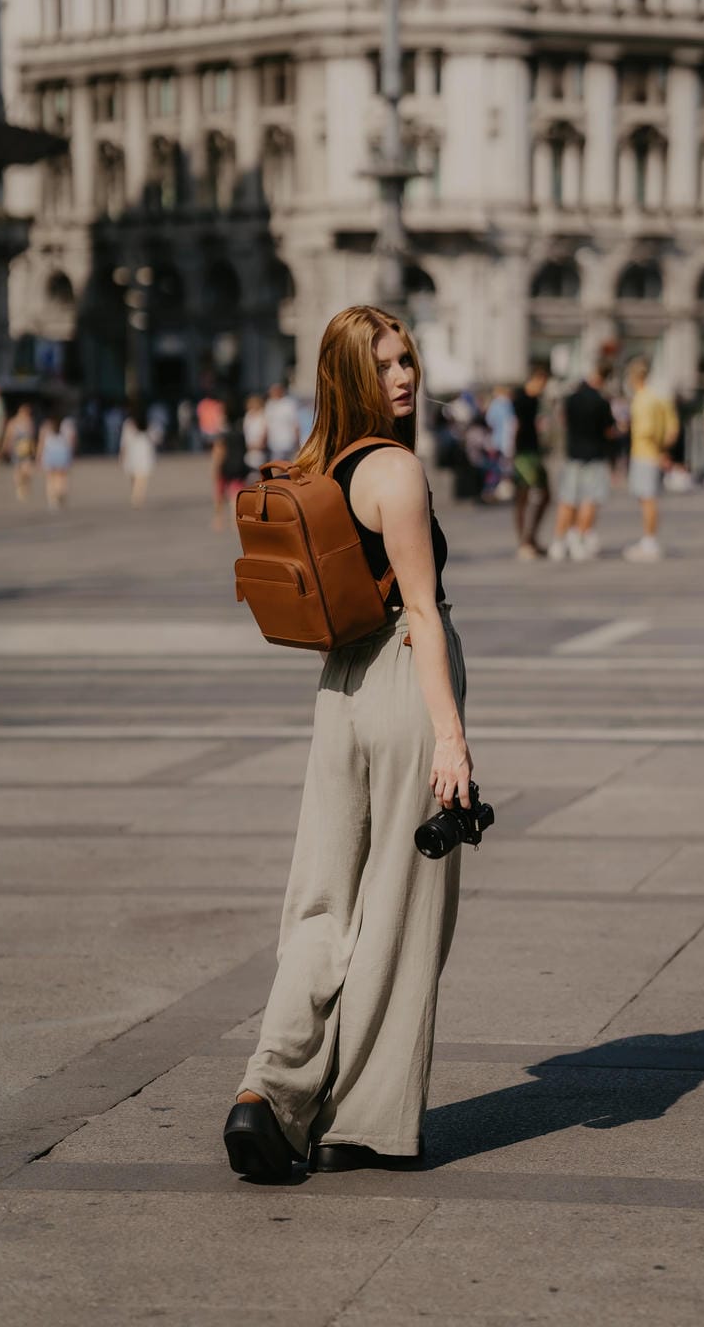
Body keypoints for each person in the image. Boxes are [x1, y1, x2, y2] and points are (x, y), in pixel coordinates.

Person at [224, 305, 472, 1182]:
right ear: (354, 377)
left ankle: (267, 1093)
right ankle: (359, 1119)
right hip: (404, 689)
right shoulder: (397, 471)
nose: (404, 377)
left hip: (337, 692)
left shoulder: (318, 464)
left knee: (322, 904)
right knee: (402, 910)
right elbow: (419, 613)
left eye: (407, 360)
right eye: (386, 365)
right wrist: (452, 740)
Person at [548, 361, 615, 561]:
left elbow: (563, 421)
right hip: (595, 454)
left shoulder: (571, 399)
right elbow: (609, 430)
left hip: (573, 454)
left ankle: (558, 542)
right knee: (589, 500)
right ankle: (577, 537)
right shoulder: (602, 401)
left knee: (567, 499)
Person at [622, 359, 679, 562]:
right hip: (653, 453)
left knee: (647, 500)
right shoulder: (659, 398)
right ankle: (650, 540)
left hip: (644, 453)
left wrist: (657, 450)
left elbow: (647, 430)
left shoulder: (642, 399)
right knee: (650, 498)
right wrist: (664, 449)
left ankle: (649, 541)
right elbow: (673, 428)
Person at [511, 362, 551, 559]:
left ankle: (531, 537)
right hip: (523, 453)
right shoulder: (520, 399)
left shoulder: (535, 400)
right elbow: (515, 426)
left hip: (534, 451)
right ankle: (524, 542)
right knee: (523, 496)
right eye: (542, 382)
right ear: (536, 379)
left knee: (545, 495)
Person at [212, 395, 256, 529]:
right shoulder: (241, 433)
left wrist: (215, 468)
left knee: (220, 493)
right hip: (239, 465)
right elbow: (246, 448)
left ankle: (219, 520)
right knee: (235, 495)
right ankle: (234, 519)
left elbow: (219, 453)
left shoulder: (223, 435)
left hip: (226, 466)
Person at [37, 406, 73, 509]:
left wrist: (38, 456)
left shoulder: (45, 426)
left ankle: (52, 499)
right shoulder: (68, 425)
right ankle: (61, 493)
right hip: (63, 453)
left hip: (50, 453)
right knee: (62, 477)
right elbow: (71, 441)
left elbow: (41, 443)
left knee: (50, 478)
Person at [120, 404, 156, 507]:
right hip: (144, 451)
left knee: (136, 476)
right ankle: (138, 496)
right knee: (141, 477)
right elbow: (155, 437)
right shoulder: (148, 423)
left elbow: (124, 441)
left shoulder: (128, 424)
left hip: (133, 452)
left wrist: (122, 454)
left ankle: (136, 496)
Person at [2, 403, 36, 501]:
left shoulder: (29, 422)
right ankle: (19, 487)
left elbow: (32, 438)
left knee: (27, 470)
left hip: (27, 449)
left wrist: (34, 449)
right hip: (16, 449)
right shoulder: (13, 422)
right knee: (17, 469)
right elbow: (8, 436)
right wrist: (6, 447)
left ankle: (24, 484)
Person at [264, 380, 300, 463]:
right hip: (274, 442)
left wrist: (297, 441)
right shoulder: (269, 404)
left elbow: (295, 424)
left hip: (288, 441)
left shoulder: (289, 404)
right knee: (276, 465)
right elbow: (267, 425)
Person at [243, 394, 268, 471]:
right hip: (250, 448)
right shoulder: (248, 416)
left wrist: (259, 444)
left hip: (259, 449)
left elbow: (265, 432)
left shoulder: (263, 416)